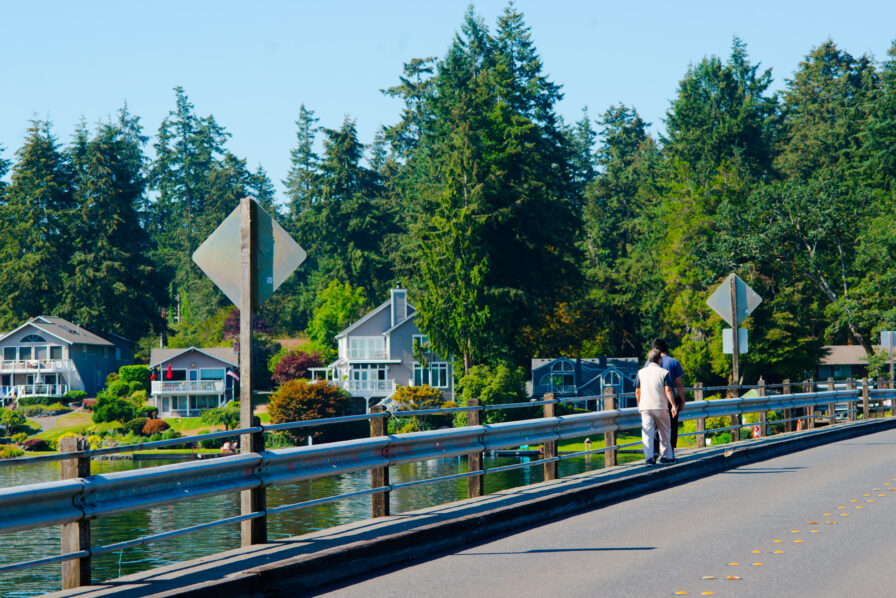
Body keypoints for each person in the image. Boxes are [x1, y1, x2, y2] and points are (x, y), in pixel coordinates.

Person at [635, 349, 677, 465]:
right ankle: (666, 456)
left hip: (645, 407)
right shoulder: (664, 372)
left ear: (648, 360)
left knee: (647, 433)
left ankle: (649, 458)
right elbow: (668, 390)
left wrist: (639, 404)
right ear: (659, 360)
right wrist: (673, 405)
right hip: (660, 406)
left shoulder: (640, 373)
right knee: (664, 431)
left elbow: (637, 391)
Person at [652, 338, 686, 453]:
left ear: (655, 349)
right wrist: (682, 400)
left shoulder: (648, 363)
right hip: (669, 398)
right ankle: (670, 451)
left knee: (656, 426)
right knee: (671, 426)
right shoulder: (674, 362)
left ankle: (655, 451)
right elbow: (679, 384)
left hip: (654, 398)